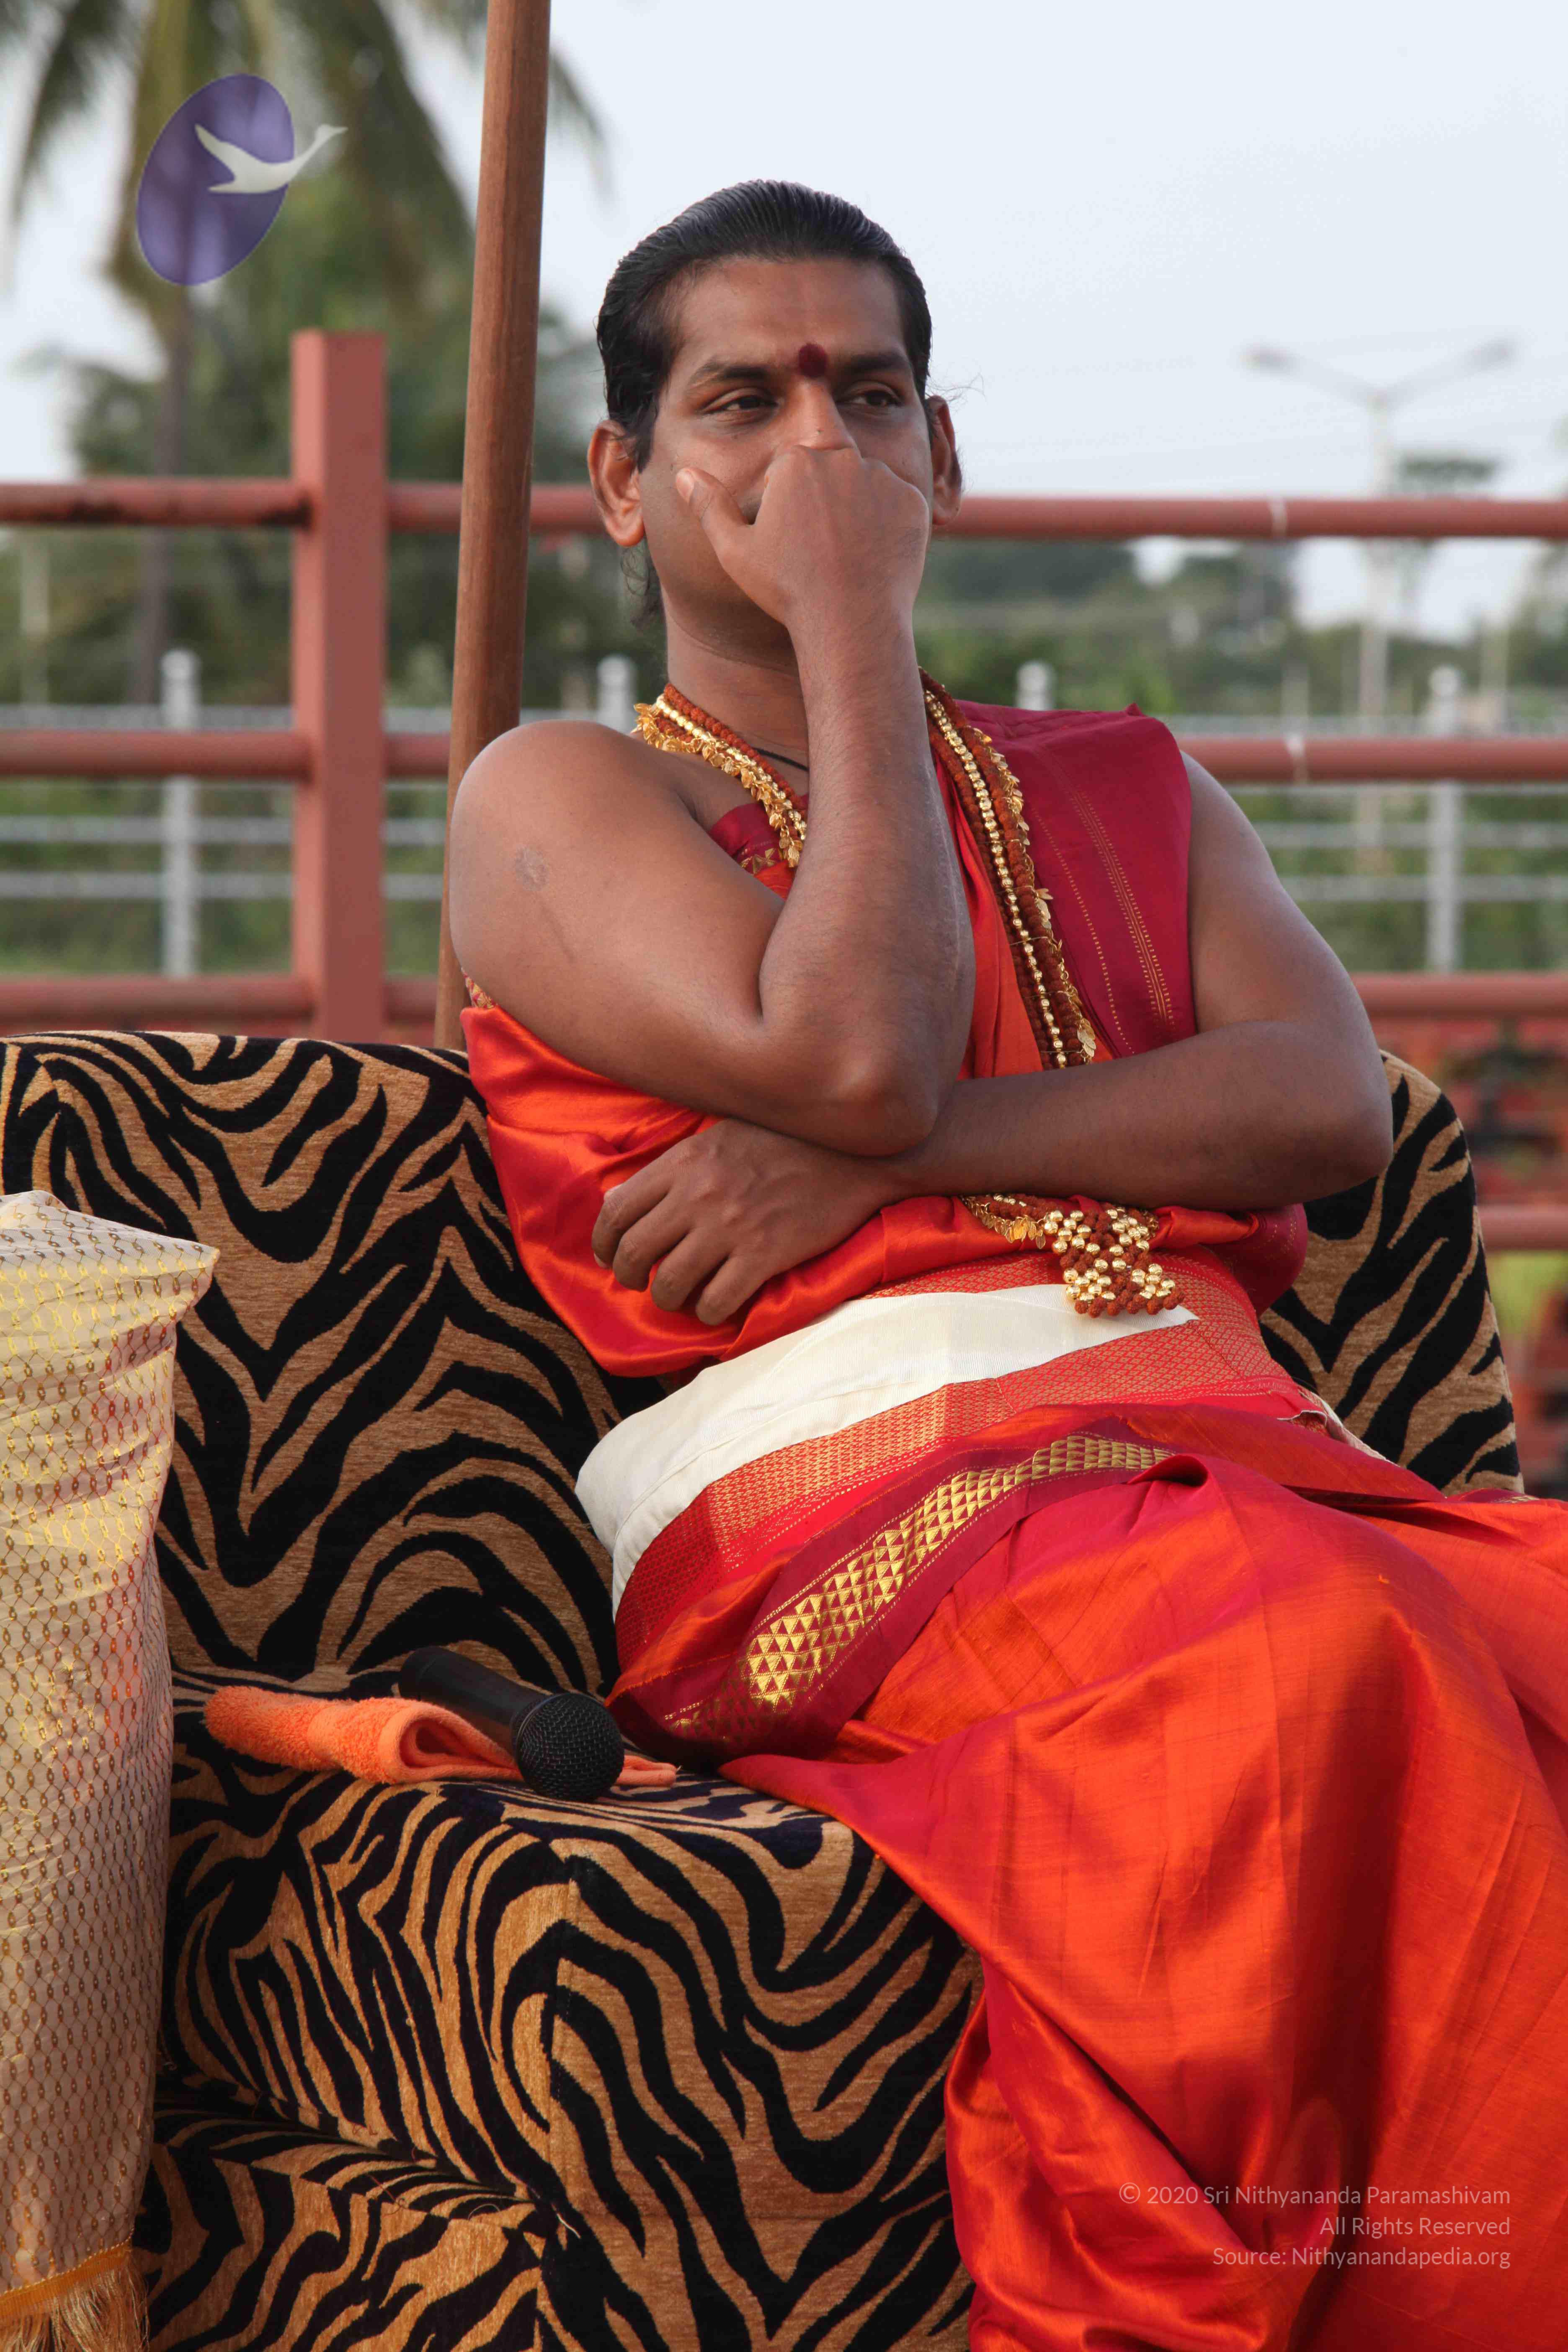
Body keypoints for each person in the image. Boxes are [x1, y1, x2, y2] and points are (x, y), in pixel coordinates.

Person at [449, 182, 1568, 2352]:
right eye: (745, 404)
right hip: (854, 1500)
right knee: (1301, 1663)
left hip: (1230, 1452)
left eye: (871, 401)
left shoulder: (1131, 784)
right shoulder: (557, 798)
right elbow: (852, 1049)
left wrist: (882, 1165)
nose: (822, 454)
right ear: (620, 482)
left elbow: (1324, 1101)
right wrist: (851, 623)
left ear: (945, 451)